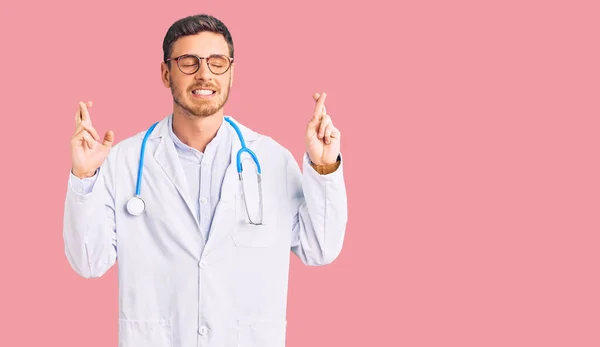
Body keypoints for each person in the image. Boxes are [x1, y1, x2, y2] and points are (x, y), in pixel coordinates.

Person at [63, 13, 347, 347]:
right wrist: (84, 176)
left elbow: (321, 248)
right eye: (188, 62)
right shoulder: (124, 162)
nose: (204, 74)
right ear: (165, 73)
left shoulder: (271, 160)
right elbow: (87, 261)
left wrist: (324, 166)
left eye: (217, 62)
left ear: (231, 73)